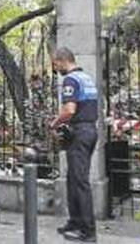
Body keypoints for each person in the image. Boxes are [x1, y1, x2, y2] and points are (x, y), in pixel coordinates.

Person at [48, 46, 100, 242]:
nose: (55, 69)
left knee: (79, 181)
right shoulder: (85, 78)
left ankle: (88, 231)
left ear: (62, 60)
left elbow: (69, 110)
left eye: (55, 64)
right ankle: (75, 222)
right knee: (73, 179)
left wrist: (54, 123)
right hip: (88, 131)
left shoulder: (70, 80)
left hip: (80, 132)